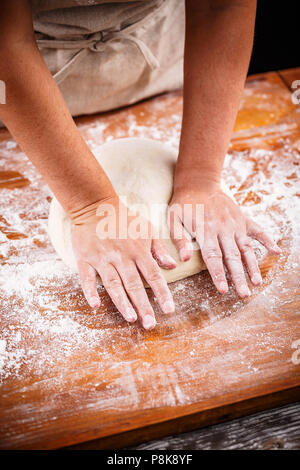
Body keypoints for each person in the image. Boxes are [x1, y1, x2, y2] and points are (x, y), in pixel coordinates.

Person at [0, 0, 281, 330]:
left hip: (155, 56)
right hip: (23, 82)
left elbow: (220, 6)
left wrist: (201, 177)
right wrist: (90, 207)